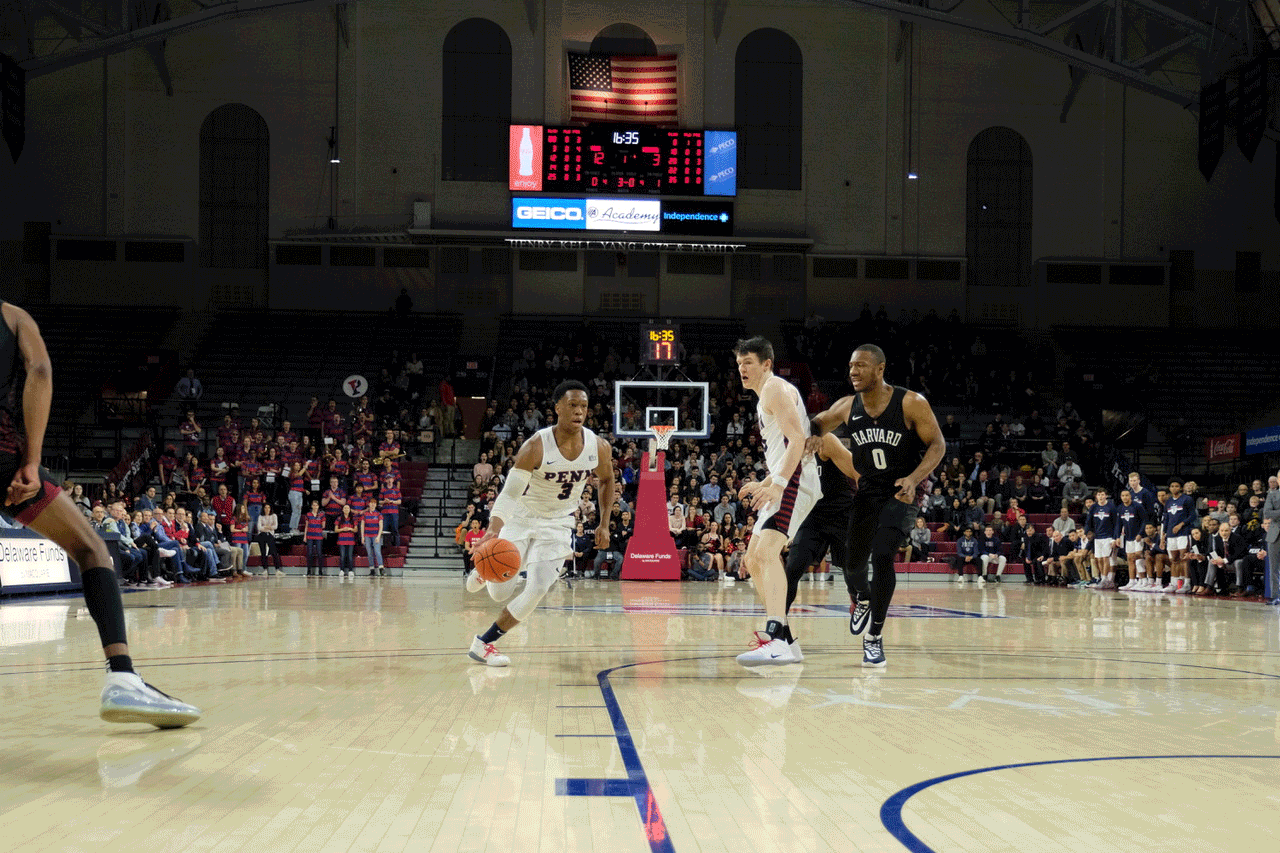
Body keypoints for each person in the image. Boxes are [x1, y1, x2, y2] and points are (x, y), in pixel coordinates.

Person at [0, 301, 199, 726]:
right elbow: (39, 370)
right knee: (91, 549)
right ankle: (122, 678)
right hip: (3, 460)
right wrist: (32, 460)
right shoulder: (13, 316)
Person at [808, 344, 945, 666]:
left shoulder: (910, 403)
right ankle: (864, 598)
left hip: (902, 491)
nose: (853, 371)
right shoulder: (846, 406)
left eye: (861, 366)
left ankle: (874, 638)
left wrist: (915, 477)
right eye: (851, 366)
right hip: (868, 491)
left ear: (880, 369)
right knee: (853, 567)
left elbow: (937, 444)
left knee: (883, 555)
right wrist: (813, 433)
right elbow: (817, 422)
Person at [464, 380, 614, 667]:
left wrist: (604, 523)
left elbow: (607, 480)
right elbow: (510, 491)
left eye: (583, 406)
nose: (579, 411)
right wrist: (494, 527)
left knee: (538, 589)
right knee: (501, 589)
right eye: (572, 405)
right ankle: (486, 570)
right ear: (557, 408)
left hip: (558, 523)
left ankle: (484, 643)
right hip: (522, 517)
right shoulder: (535, 446)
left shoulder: (598, 446)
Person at [731, 337, 822, 666]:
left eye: (749, 362)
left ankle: (775, 636)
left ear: (766, 364)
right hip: (786, 479)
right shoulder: (766, 395)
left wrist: (780, 483)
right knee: (753, 559)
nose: (742, 368)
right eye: (739, 363)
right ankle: (785, 640)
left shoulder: (774, 388)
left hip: (796, 480)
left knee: (766, 552)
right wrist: (767, 481)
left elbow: (798, 439)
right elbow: (786, 446)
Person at [782, 431, 860, 613]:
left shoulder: (824, 440)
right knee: (792, 569)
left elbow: (857, 472)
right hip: (812, 517)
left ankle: (857, 601)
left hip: (842, 514)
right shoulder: (786, 449)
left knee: (852, 571)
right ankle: (778, 624)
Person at [1115, 489, 1152, 590]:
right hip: (1128, 537)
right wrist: (1117, 537)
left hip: (1138, 537)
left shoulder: (1137, 506)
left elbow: (1145, 521)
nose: (1125, 497)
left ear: (1130, 496)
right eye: (1123, 496)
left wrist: (1141, 534)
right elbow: (1119, 524)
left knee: (1138, 556)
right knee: (1130, 559)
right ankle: (1132, 581)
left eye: (1127, 495)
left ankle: (1143, 580)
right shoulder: (1120, 508)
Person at [1162, 478, 1194, 594]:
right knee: (1174, 559)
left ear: (1180, 488)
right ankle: (1174, 583)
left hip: (1183, 533)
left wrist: (1181, 524)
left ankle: (1187, 584)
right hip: (1170, 535)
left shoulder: (1187, 499)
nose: (1174, 488)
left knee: (1184, 558)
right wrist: (1163, 535)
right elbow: (1166, 519)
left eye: (1176, 486)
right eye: (1172, 486)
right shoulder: (1169, 502)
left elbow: (1192, 516)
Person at [1085, 488, 1119, 589]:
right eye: (1098, 495)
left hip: (1108, 537)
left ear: (1106, 496)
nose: (1100, 496)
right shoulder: (1093, 507)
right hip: (1097, 537)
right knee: (1098, 559)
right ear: (1096, 496)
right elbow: (1088, 521)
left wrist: (1114, 538)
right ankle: (1102, 578)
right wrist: (1087, 531)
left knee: (1106, 558)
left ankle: (1105, 580)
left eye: (1102, 494)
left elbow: (1116, 523)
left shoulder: (1111, 507)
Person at [254, 504, 284, 575]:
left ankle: (277, 569)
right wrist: (269, 527)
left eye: (268, 508)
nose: (267, 509)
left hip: (270, 535)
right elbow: (259, 527)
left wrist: (265, 527)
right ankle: (265, 569)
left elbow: (275, 526)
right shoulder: (260, 516)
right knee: (263, 552)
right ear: (263, 509)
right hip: (262, 535)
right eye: (266, 508)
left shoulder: (274, 516)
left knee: (274, 552)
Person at [363, 496, 386, 576]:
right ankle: (372, 569)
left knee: (377, 551)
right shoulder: (365, 514)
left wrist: (379, 536)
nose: (372, 504)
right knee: (369, 553)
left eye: (374, 503)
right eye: (371, 503)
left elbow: (381, 526)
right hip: (367, 535)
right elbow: (362, 526)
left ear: (376, 505)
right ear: (369, 504)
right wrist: (362, 537)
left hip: (375, 535)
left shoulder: (379, 514)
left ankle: (381, 568)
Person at [304, 498, 327, 576]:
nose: (315, 506)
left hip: (318, 536)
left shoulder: (321, 514)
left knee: (319, 553)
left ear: (318, 506)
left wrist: (321, 523)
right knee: (309, 553)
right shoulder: (308, 514)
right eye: (313, 505)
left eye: (316, 505)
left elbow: (324, 525)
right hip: (310, 536)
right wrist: (305, 536)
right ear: (311, 506)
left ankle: (320, 571)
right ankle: (309, 570)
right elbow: (306, 526)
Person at [335, 503, 358, 578]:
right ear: (342, 509)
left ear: (349, 510)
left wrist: (350, 529)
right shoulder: (339, 518)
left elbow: (356, 529)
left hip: (350, 540)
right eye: (345, 508)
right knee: (342, 556)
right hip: (341, 540)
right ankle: (341, 570)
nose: (346, 509)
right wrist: (342, 529)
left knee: (350, 556)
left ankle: (350, 570)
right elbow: (336, 530)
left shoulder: (353, 518)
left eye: (348, 508)